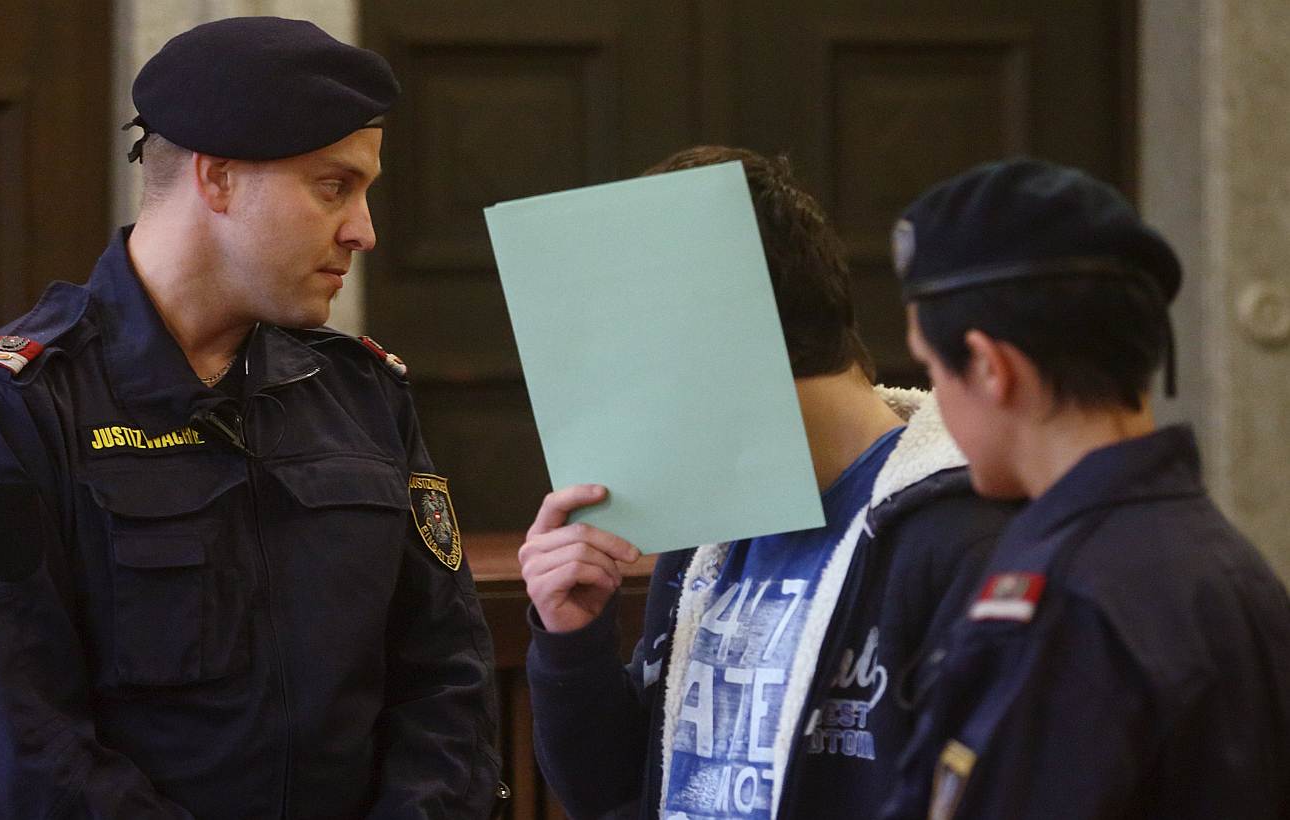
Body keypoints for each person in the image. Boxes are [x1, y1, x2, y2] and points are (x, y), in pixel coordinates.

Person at [0, 17, 501, 819]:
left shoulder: (360, 392)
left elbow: (447, 674)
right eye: (334, 186)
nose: (365, 231)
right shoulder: (2, 408)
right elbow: (19, 749)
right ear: (218, 179)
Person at [518, 146, 1016, 819]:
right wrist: (571, 643)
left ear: (720, 333)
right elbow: (615, 794)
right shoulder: (709, 530)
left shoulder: (960, 535)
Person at [881, 158, 1290, 819]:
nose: (935, 399)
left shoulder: (1062, 606)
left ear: (990, 367)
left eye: (931, 368)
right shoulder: (1227, 564)